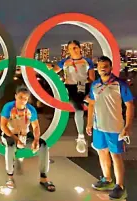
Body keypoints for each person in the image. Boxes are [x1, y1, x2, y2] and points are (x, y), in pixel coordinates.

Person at [86, 56, 134, 200]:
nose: (102, 68)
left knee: (116, 155)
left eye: (105, 66)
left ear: (111, 67)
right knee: (102, 152)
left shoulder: (120, 84)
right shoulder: (95, 85)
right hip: (98, 127)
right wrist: (89, 123)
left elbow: (130, 105)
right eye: (100, 66)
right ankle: (107, 180)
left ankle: (120, 186)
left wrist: (127, 126)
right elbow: (91, 104)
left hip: (115, 127)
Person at [0, 85, 56, 192]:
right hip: (10, 134)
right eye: (20, 97)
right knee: (10, 146)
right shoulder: (8, 107)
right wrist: (16, 139)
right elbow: (3, 126)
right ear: (15, 96)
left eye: (25, 98)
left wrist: (35, 140)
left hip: (25, 134)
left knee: (43, 145)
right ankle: (10, 177)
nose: (23, 100)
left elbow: (36, 126)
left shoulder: (31, 109)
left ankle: (44, 178)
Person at [49, 40, 95, 153]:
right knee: (79, 110)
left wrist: (86, 86)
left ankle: (93, 131)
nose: (72, 50)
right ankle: (81, 136)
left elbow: (92, 78)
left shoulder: (87, 61)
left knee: (94, 105)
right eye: (70, 48)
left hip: (84, 87)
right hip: (71, 89)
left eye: (75, 47)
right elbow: (52, 72)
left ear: (80, 48)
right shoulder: (65, 62)